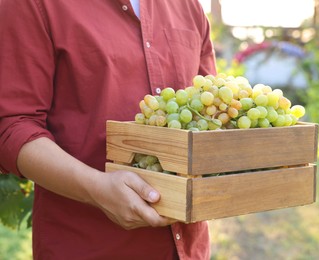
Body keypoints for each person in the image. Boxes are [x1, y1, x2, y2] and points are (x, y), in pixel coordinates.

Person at [0, 0, 216, 259]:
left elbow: (211, 113)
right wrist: (97, 188)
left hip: (189, 249)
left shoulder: (188, 5)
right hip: (89, 246)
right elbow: (12, 126)